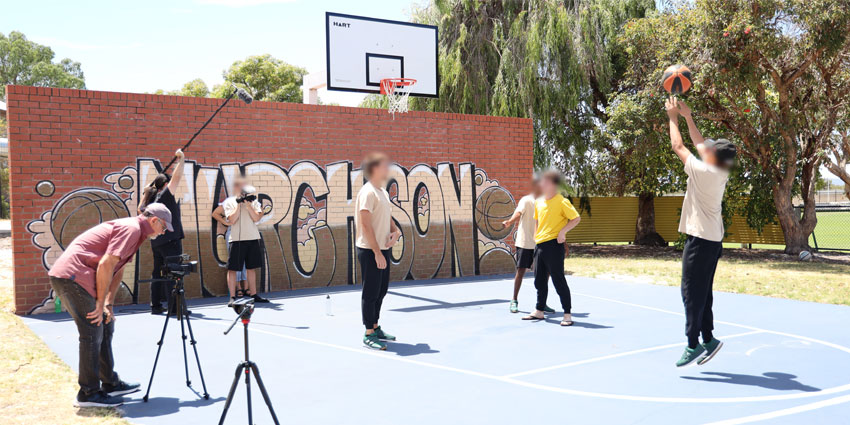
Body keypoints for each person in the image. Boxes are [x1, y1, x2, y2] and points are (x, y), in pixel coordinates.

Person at [48, 204, 172, 407]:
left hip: (78, 277)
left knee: (105, 323)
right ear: (154, 221)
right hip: (72, 277)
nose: (163, 233)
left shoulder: (137, 232)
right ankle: (88, 393)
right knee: (92, 329)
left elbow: (117, 269)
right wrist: (98, 304)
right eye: (164, 228)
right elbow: (106, 264)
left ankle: (110, 384)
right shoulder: (132, 229)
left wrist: (108, 304)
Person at [665, 97, 736, 367]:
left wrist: (672, 116)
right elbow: (697, 144)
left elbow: (678, 146)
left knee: (690, 293)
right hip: (712, 241)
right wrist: (688, 116)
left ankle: (693, 343)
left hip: (701, 241)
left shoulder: (704, 171)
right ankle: (709, 339)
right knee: (703, 291)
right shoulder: (719, 170)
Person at [521, 170, 581, 326]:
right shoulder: (539, 201)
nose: (541, 184)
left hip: (554, 246)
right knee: (539, 280)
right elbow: (537, 220)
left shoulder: (562, 201)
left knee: (558, 279)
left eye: (545, 182)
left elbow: (576, 218)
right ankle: (539, 310)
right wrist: (535, 236)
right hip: (539, 245)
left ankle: (567, 314)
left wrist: (563, 232)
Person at [355, 152, 401, 350]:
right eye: (384, 166)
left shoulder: (381, 191)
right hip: (369, 250)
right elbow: (365, 225)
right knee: (371, 292)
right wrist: (376, 252)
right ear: (374, 169)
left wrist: (396, 231)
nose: (387, 170)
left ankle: (375, 327)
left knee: (381, 290)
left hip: (382, 249)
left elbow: (387, 216)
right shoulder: (367, 192)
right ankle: (368, 333)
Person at [138, 149, 186, 315]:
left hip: (156, 243)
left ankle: (156, 305)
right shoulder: (165, 196)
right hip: (170, 240)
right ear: (164, 185)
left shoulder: (150, 200)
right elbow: (177, 178)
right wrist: (182, 160)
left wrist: (146, 192)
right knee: (174, 272)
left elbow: (140, 209)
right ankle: (175, 308)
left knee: (157, 272)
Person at [501, 177, 554, 314]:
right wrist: (510, 221)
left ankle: (542, 303)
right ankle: (514, 300)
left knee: (545, 273)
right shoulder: (526, 200)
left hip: (540, 242)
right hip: (525, 242)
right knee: (521, 271)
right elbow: (518, 213)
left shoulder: (546, 202)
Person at [222, 176, 270, 305]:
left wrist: (248, 206)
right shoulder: (229, 202)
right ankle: (232, 297)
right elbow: (231, 220)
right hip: (236, 240)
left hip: (252, 238)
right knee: (232, 269)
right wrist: (239, 205)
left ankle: (253, 294)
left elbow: (256, 218)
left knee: (251, 268)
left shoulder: (253, 201)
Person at [212, 204, 248, 295]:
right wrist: (226, 223)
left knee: (247, 261)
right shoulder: (229, 202)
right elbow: (215, 214)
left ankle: (247, 287)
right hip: (233, 233)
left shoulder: (249, 202)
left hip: (247, 233)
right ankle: (238, 287)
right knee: (235, 262)